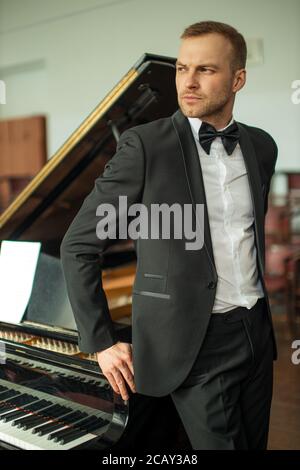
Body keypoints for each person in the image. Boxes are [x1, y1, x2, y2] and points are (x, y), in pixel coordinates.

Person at [60, 20, 278, 450]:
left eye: (205, 70)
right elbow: (78, 245)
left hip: (255, 333)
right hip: (194, 344)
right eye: (181, 69)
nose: (188, 83)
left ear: (238, 79)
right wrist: (101, 341)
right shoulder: (146, 147)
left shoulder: (261, 146)